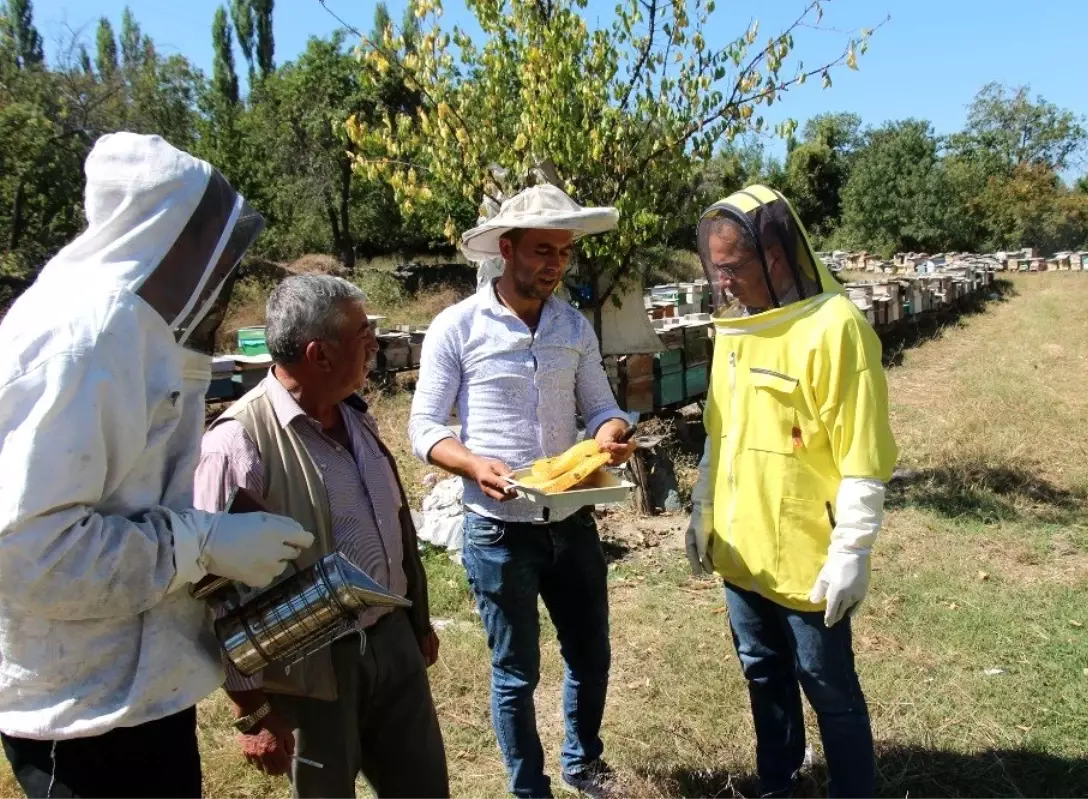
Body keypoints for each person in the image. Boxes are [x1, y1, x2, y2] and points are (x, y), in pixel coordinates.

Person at [0, 133, 313, 798]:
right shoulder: (83, 337)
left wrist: (209, 530)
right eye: (210, 243)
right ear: (162, 234)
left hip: (135, 689)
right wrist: (200, 545)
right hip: (80, 711)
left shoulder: (126, 331)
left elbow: (113, 495)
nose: (225, 267)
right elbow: (29, 552)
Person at [409, 184, 636, 799]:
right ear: (505, 249)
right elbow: (424, 428)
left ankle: (583, 764)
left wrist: (612, 433)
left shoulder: (573, 326)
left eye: (563, 253)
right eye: (542, 250)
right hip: (497, 529)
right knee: (516, 673)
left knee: (590, 656)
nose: (555, 265)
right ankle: (527, 787)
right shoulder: (455, 327)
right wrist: (473, 464)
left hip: (572, 521)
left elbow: (602, 408)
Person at [193, 275, 449, 799]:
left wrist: (415, 619)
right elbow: (213, 592)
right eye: (362, 334)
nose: (374, 344)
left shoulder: (356, 414)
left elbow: (395, 522)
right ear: (320, 355)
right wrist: (252, 709)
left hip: (391, 640)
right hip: (308, 670)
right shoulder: (238, 444)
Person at [685, 185, 898, 799]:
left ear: (775, 256)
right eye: (714, 266)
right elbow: (718, 435)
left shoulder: (837, 329)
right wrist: (702, 512)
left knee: (828, 688)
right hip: (741, 550)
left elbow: (863, 454)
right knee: (762, 673)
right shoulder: (733, 329)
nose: (721, 282)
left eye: (732, 267)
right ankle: (779, 781)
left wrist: (851, 550)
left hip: (809, 553)